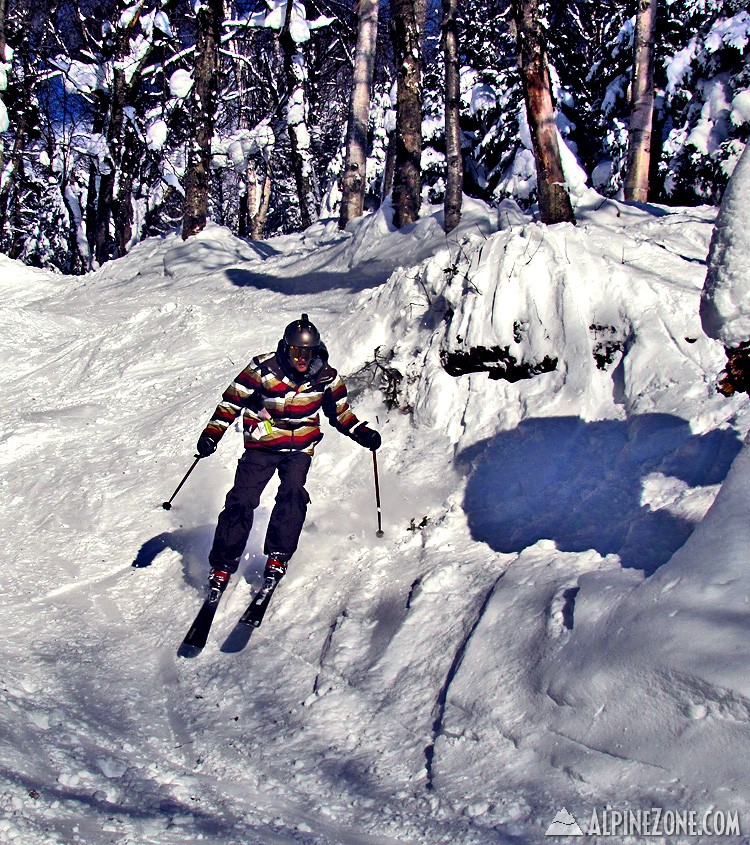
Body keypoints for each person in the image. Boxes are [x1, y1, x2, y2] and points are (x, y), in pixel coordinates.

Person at [196, 314, 381, 596]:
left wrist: (361, 432)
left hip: (299, 448)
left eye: (307, 352)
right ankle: (222, 563)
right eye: (296, 351)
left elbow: (340, 413)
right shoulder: (263, 368)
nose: (301, 359)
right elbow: (233, 400)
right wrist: (212, 433)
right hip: (263, 442)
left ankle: (278, 555)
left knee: (293, 493)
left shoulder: (326, 377)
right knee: (243, 498)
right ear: (286, 347)